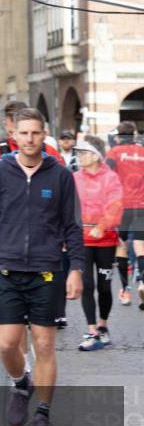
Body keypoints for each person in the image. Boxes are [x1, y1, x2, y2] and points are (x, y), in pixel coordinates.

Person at [0, 108, 83, 426]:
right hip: (6, 269)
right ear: (14, 136)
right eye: (24, 133)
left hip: (47, 271)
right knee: (6, 344)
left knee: (45, 344)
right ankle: (22, 383)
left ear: (43, 134)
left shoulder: (60, 175)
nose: (30, 139)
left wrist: (75, 268)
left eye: (36, 133)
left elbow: (72, 226)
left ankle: (43, 415)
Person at [72, 137, 123, 351]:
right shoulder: (74, 178)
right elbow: (67, 206)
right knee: (87, 285)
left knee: (104, 286)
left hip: (105, 238)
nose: (79, 156)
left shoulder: (111, 178)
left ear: (96, 155)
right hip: (82, 238)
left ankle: (103, 326)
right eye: (78, 152)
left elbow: (116, 204)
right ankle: (92, 331)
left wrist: (102, 226)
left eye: (83, 152)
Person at [105, 121, 144, 308]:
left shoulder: (114, 152)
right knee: (140, 246)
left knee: (120, 247)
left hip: (121, 206)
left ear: (118, 136)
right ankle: (143, 282)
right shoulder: (143, 151)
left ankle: (125, 291)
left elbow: (106, 175)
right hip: (142, 205)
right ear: (134, 134)